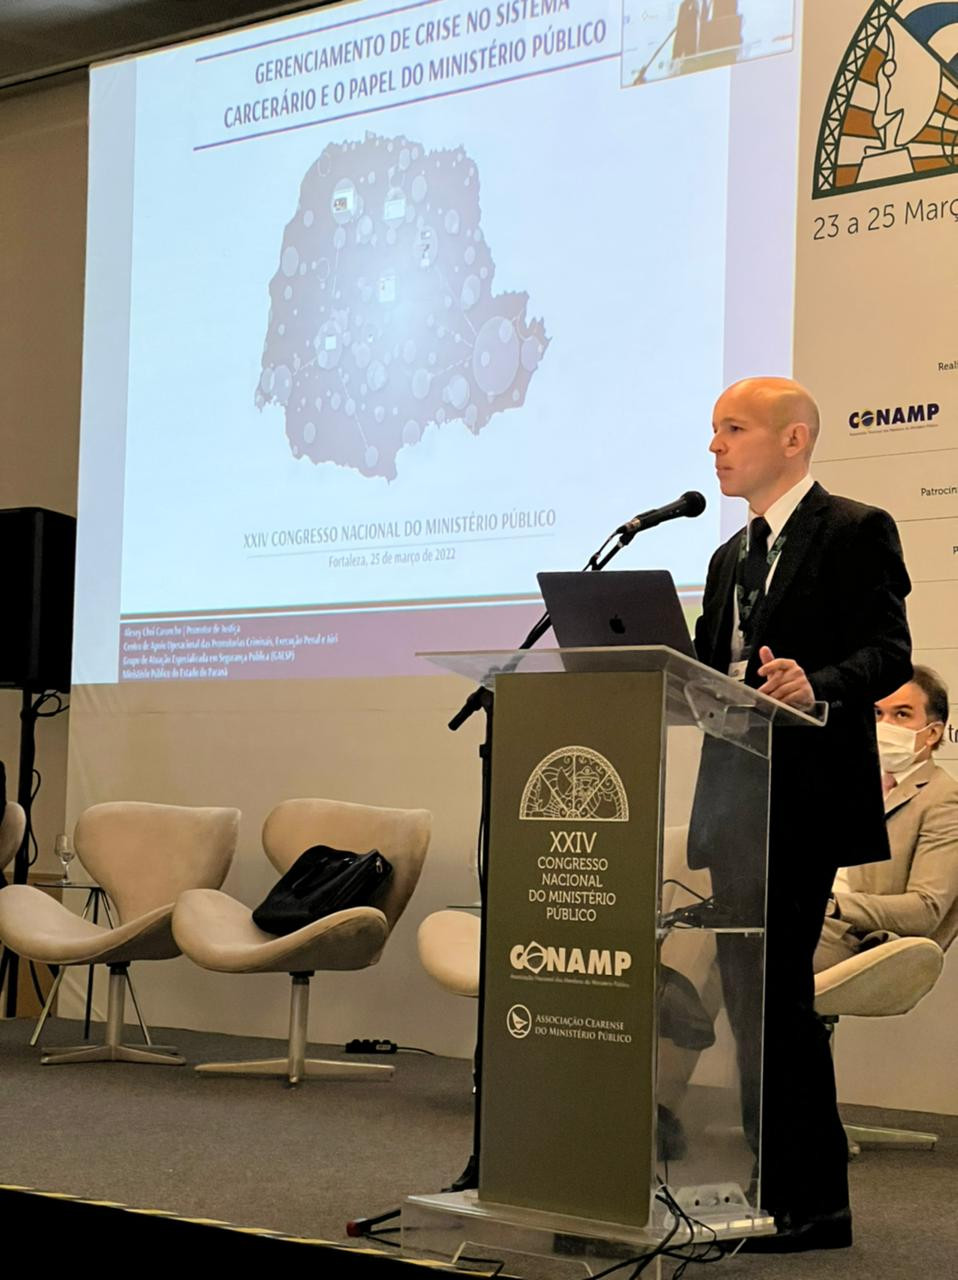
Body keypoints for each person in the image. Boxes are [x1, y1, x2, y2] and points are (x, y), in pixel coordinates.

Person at [689, 376, 912, 1252]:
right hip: (733, 801)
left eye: (733, 429)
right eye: (713, 431)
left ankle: (815, 1203)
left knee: (779, 996)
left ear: (793, 440)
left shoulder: (855, 529)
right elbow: (705, 671)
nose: (715, 446)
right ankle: (768, 1183)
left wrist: (813, 684)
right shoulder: (727, 557)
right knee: (749, 997)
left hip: (806, 801)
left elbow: (889, 653)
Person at [816, 667, 958, 969]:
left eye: (902, 714)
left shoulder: (944, 798)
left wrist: (832, 904)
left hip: (859, 940)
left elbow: (925, 909)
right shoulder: (852, 782)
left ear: (933, 733)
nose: (884, 725)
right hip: (813, 919)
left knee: (752, 950)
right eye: (877, 713)